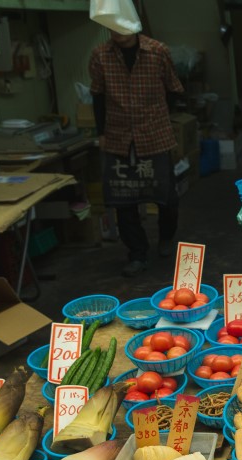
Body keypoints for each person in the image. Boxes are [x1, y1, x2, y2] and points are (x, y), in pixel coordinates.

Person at [89, 24, 184, 277]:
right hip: (119, 137)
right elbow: (97, 96)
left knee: (167, 197)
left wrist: (159, 116)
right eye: (112, 26)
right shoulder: (100, 55)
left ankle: (166, 237)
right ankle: (137, 253)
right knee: (124, 201)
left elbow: (174, 89)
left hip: (155, 135)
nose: (118, 31)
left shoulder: (157, 51)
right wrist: (102, 133)